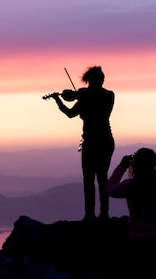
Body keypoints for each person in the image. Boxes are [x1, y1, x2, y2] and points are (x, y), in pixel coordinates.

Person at [46, 66, 115, 222]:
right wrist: (67, 98)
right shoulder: (102, 95)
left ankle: (91, 214)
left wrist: (60, 99)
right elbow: (73, 111)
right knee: (100, 177)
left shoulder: (96, 96)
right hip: (104, 141)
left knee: (90, 178)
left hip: (94, 142)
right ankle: (102, 214)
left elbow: (70, 113)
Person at [105, 147, 156, 243]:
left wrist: (122, 167)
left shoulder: (130, 186)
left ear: (135, 165)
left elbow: (109, 189)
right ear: (154, 164)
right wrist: (151, 168)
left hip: (140, 239)